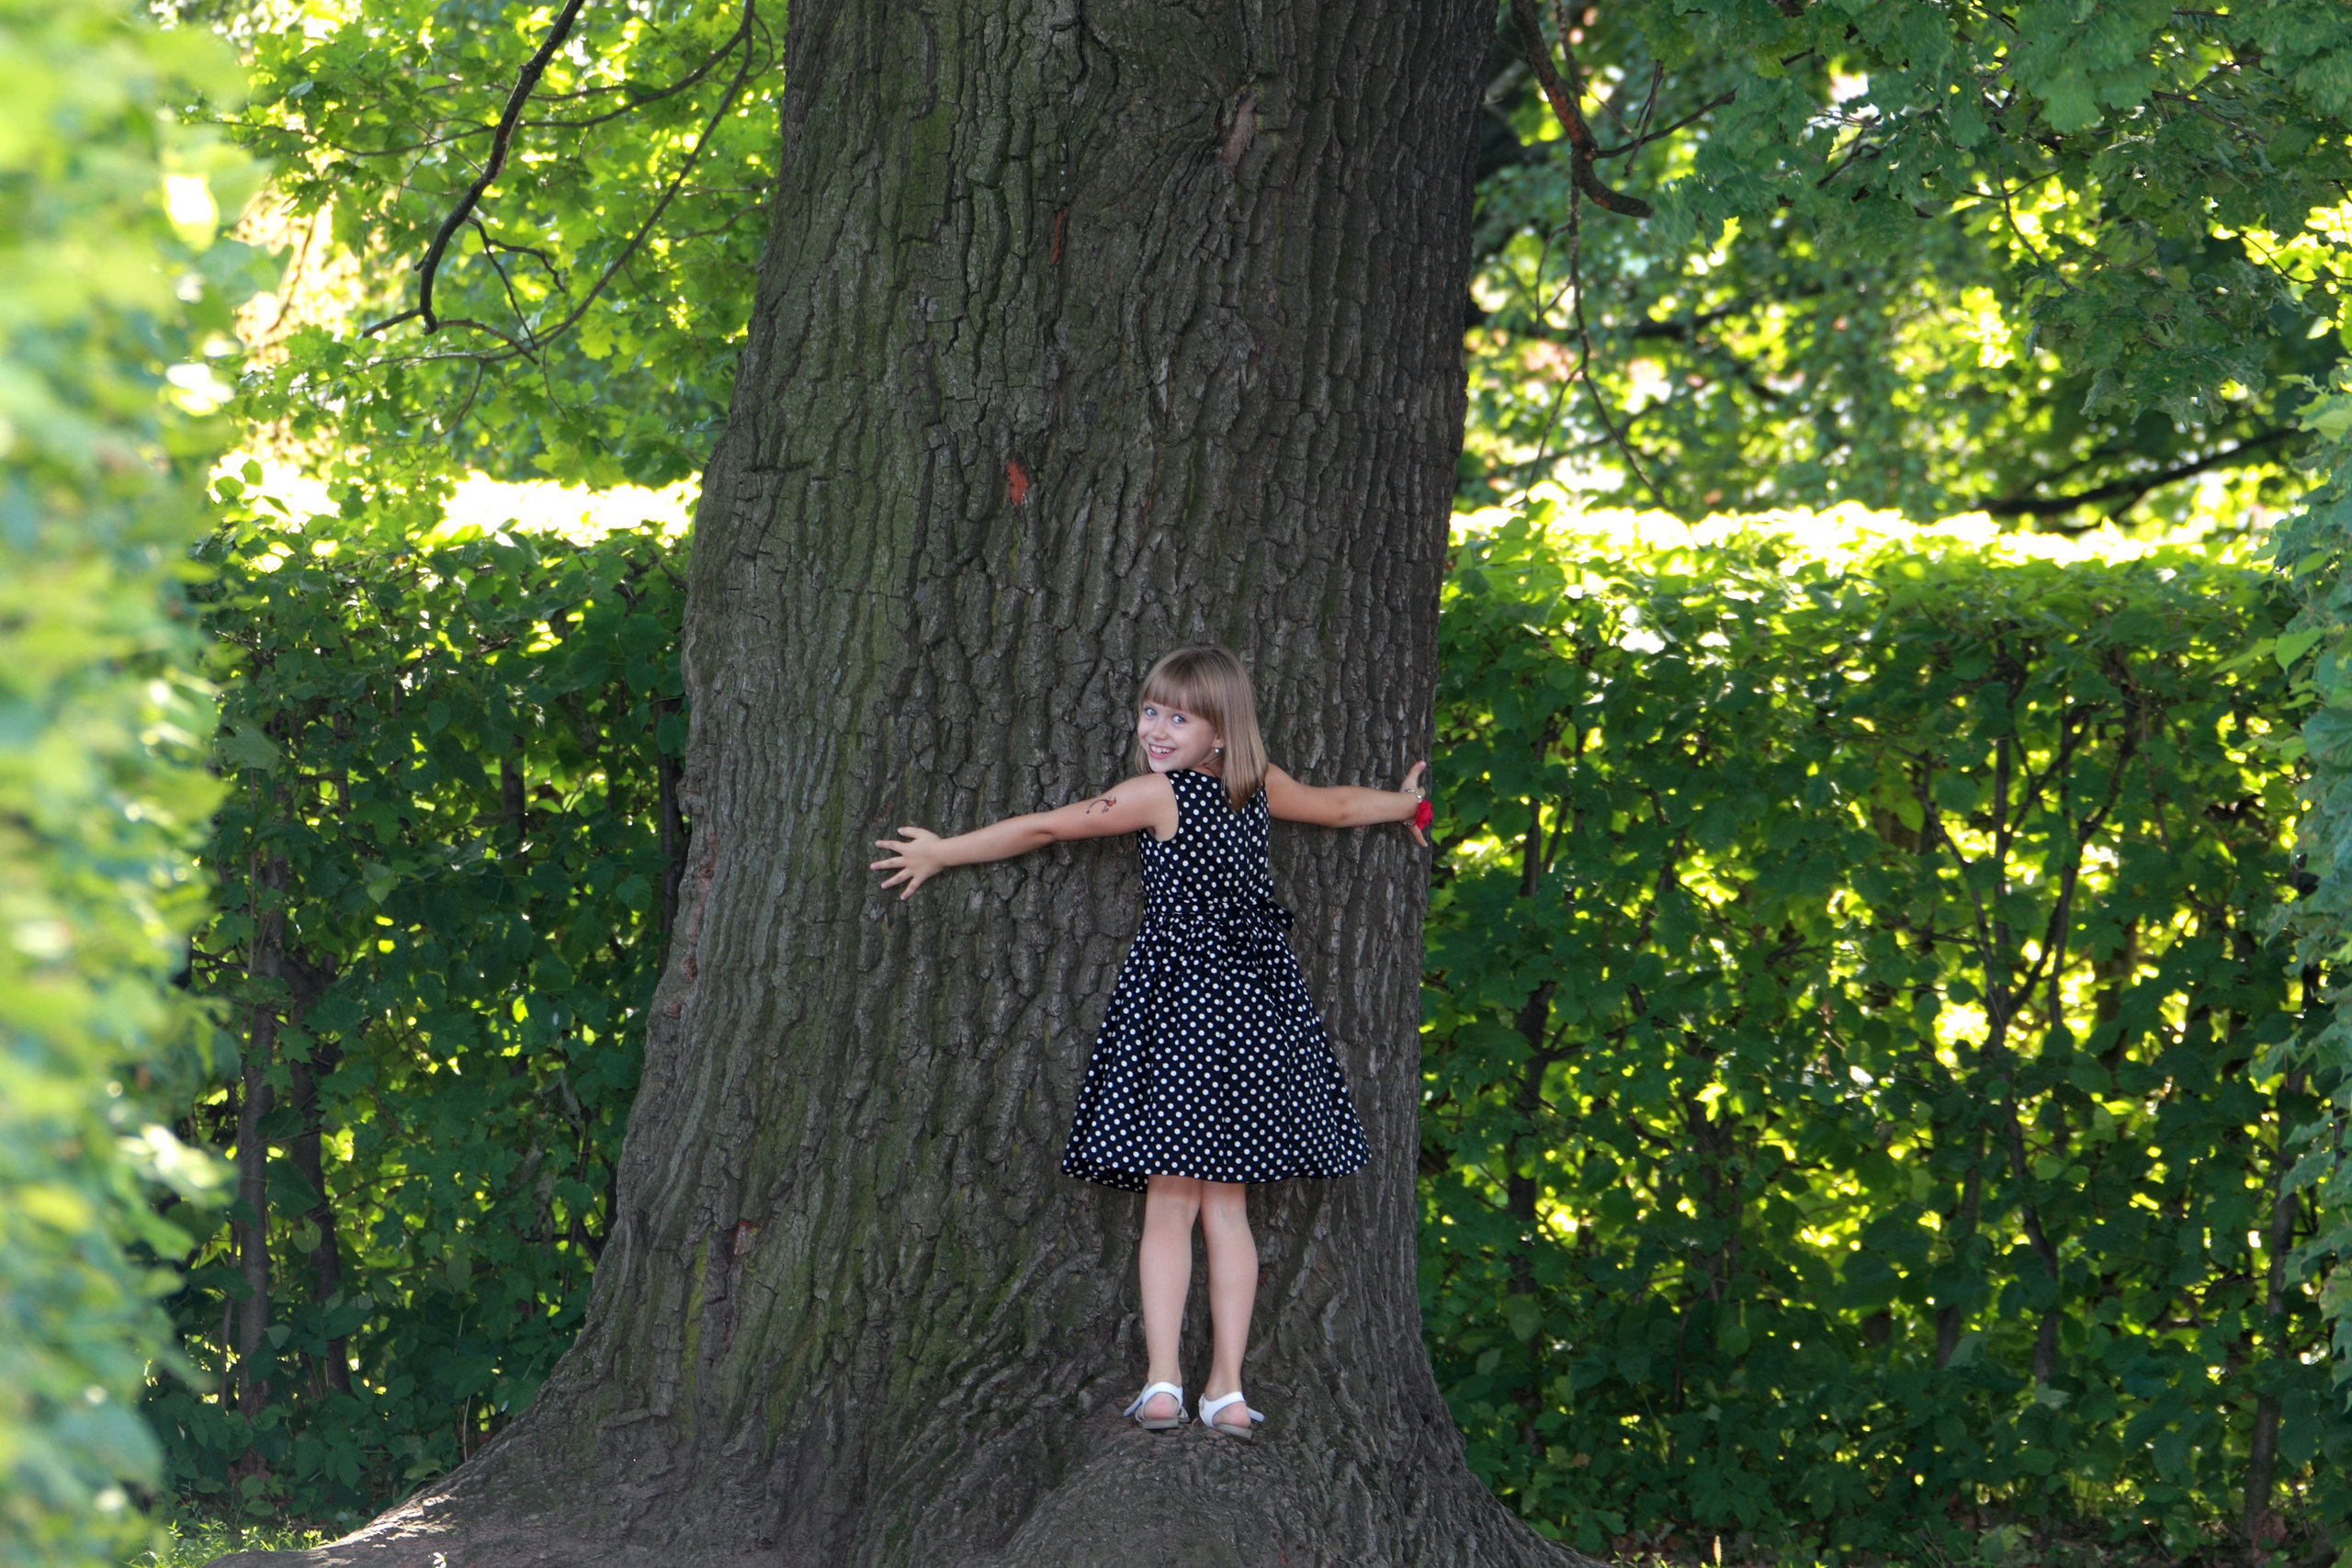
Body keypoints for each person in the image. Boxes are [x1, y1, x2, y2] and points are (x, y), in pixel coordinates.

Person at [870, 645, 1430, 1440]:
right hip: (1255, 1009)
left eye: (1179, 717)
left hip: (1183, 1011)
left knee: (1183, 1203)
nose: (1157, 729)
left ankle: (1185, 1380)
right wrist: (1404, 808)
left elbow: (1045, 827)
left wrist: (941, 850)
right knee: (1215, 1206)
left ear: (1222, 735)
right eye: (1151, 711)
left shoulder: (1161, 794)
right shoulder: (1251, 789)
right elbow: (1336, 805)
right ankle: (1206, 1387)